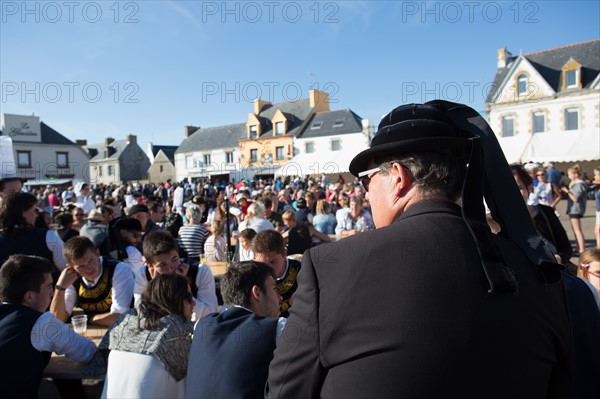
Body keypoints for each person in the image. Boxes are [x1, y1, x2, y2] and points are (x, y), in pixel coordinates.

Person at [266, 101, 572, 398]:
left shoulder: (329, 268)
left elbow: (283, 392)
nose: (366, 193)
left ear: (398, 178)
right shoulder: (540, 271)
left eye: (366, 181)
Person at [0, 255, 97, 399]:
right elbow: (87, 351)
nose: (52, 293)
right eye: (49, 287)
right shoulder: (42, 323)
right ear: (29, 297)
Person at [186, 261, 284, 398]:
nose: (280, 297)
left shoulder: (200, 326)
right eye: (274, 289)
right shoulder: (277, 328)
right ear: (257, 293)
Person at [101, 274, 194, 399]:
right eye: (188, 297)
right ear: (173, 299)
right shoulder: (181, 331)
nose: (194, 302)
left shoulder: (124, 326)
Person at [50, 236, 134, 327]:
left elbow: (119, 318)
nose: (89, 268)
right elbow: (56, 320)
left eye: (91, 261)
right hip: (93, 331)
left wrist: (89, 318)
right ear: (71, 267)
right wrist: (59, 287)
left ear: (97, 253)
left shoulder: (119, 269)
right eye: (81, 266)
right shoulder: (72, 278)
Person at [134, 231, 218, 320]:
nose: (171, 269)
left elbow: (210, 314)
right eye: (162, 265)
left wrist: (182, 287)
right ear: (150, 266)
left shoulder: (200, 270)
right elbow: (140, 313)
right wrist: (156, 288)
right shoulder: (143, 274)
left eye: (174, 259)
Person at [0, 192, 67, 271]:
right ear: (23, 213)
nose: (36, 215)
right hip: (47, 282)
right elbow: (66, 266)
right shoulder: (48, 236)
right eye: (34, 210)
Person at [253, 229, 301, 318]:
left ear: (284, 254)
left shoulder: (301, 271)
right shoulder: (252, 277)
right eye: (261, 264)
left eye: (273, 261)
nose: (268, 269)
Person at [561, 164, 588, 254]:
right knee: (575, 229)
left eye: (570, 174)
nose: (568, 176)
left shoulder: (580, 184)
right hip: (573, 209)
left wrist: (567, 191)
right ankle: (579, 247)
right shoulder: (576, 184)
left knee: (577, 229)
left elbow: (575, 198)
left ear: (575, 174)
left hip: (576, 209)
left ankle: (581, 249)